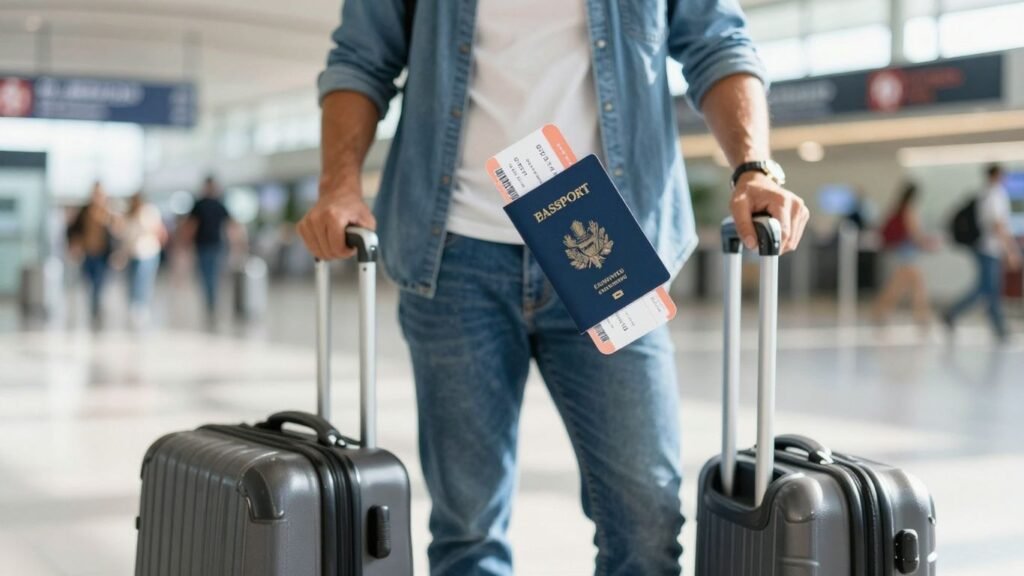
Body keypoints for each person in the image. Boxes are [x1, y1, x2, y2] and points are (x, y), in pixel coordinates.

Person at [299, 3, 809, 575]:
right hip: (455, 249)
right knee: (467, 529)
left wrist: (753, 168)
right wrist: (337, 185)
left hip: (610, 244)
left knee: (646, 523)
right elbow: (362, 59)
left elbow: (717, 43)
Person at [944, 164, 1023, 342]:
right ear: (997, 175)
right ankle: (954, 313)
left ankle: (998, 328)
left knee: (990, 288)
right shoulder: (995, 194)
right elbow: (998, 225)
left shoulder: (984, 193)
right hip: (989, 249)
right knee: (987, 288)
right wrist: (1010, 250)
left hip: (983, 247)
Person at [872, 183, 938, 325]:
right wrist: (926, 244)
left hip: (905, 251)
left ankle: (918, 315)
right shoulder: (909, 211)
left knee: (905, 285)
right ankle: (920, 316)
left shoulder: (900, 209)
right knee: (908, 286)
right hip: (908, 253)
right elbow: (914, 234)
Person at [179, 176, 235, 320]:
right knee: (209, 276)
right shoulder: (202, 205)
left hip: (214, 245)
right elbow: (192, 226)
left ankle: (211, 303)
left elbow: (229, 226)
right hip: (205, 245)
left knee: (210, 276)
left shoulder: (216, 204)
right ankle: (211, 302)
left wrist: (235, 244)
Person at [67, 182, 116, 322]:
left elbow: (115, 236)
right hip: (88, 253)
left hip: (103, 254)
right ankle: (93, 306)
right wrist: (74, 245)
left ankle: (96, 308)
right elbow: (73, 230)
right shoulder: (84, 211)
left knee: (99, 283)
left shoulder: (108, 212)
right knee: (88, 281)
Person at [116, 192, 166, 326]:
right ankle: (133, 305)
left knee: (143, 280)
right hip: (132, 254)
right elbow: (125, 236)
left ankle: (141, 306)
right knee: (132, 281)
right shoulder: (127, 215)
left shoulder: (149, 212)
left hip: (148, 253)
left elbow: (159, 231)